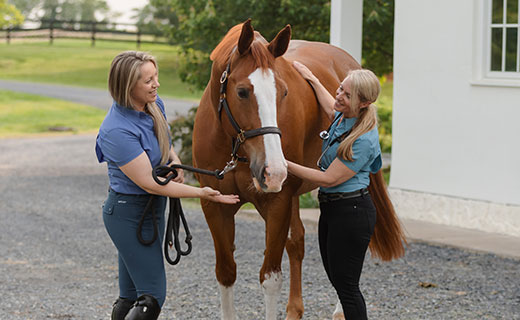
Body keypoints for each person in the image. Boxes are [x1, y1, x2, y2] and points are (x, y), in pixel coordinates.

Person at [95, 51, 239, 320]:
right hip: (128, 214)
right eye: (148, 80)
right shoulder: (116, 130)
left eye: (156, 76)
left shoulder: (153, 105)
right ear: (128, 86)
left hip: (150, 210)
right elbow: (152, 184)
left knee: (130, 295)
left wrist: (173, 159)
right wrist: (203, 193)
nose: (156, 84)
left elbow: (164, 140)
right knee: (151, 296)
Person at [288, 61, 382, 320]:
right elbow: (330, 105)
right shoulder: (345, 114)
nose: (339, 96)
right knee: (338, 281)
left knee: (347, 288)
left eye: (346, 94)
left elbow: (328, 179)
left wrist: (284, 164)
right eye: (340, 88)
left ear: (363, 103)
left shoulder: (363, 139)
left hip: (351, 213)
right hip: (332, 210)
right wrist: (311, 78)